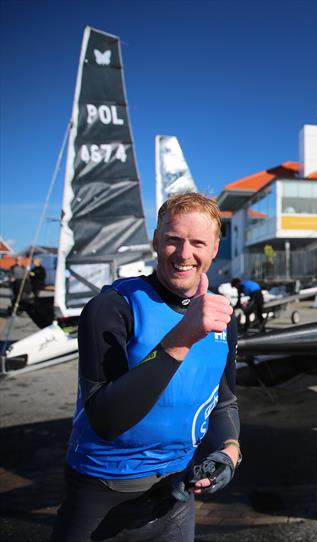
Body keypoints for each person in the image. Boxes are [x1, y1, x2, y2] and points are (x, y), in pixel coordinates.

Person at [51, 193, 241, 542]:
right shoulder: (112, 307)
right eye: (173, 240)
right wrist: (182, 337)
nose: (185, 254)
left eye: (198, 243)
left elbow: (223, 401)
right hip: (99, 498)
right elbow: (106, 419)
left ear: (214, 249)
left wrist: (229, 451)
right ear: (156, 241)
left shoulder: (221, 317)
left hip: (175, 500)